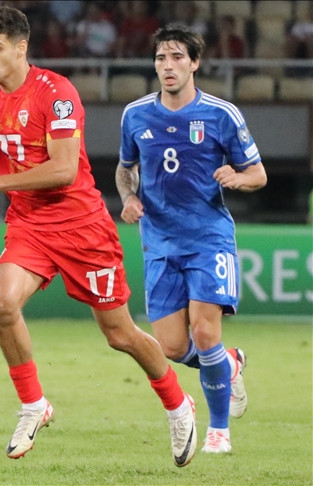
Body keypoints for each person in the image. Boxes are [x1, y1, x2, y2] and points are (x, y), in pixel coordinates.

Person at [0, 6, 198, 467]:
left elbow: (62, 170)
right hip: (29, 226)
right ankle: (33, 404)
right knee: (2, 304)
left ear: (21, 48)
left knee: (119, 334)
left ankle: (178, 404)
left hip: (82, 227)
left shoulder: (56, 94)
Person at [116, 24, 267, 454]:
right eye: (161, 58)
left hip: (208, 238)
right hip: (158, 241)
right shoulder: (135, 114)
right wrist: (128, 197)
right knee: (171, 346)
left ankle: (219, 431)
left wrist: (237, 178)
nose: (168, 66)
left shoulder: (222, 114)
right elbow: (125, 168)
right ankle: (229, 364)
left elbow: (258, 174)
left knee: (204, 332)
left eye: (177, 57)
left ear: (195, 63)